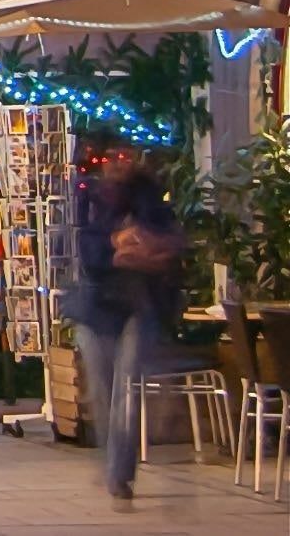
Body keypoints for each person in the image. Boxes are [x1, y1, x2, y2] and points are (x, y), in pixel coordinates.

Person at [68, 149, 181, 503]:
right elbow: (91, 253)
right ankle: (113, 463)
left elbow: (167, 247)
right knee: (102, 392)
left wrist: (135, 250)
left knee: (127, 388)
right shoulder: (89, 198)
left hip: (138, 307)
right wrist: (118, 249)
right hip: (96, 309)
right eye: (114, 158)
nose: (121, 162)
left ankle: (119, 473)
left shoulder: (151, 200)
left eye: (127, 157)